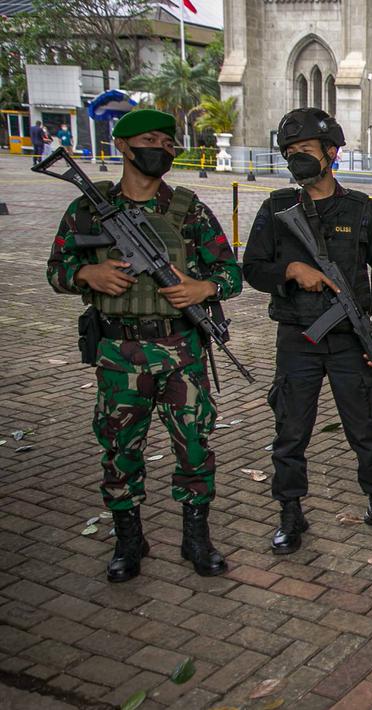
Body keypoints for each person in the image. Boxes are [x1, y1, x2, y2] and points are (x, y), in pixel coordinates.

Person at [46, 108, 241, 582]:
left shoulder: (188, 209)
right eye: (151, 140)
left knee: (194, 447)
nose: (162, 149)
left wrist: (203, 289)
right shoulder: (88, 210)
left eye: (168, 142)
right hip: (119, 353)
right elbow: (56, 269)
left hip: (180, 350)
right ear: (124, 147)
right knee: (119, 448)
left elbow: (231, 273)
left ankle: (196, 537)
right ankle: (128, 540)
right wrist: (86, 273)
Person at [242, 108, 372, 553]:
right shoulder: (277, 208)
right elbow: (252, 269)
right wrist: (292, 270)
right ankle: (290, 512)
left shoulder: (362, 210)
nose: (296, 159)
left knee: (366, 427)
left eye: (305, 151)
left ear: (331, 153)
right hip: (298, 337)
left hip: (349, 341)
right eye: (290, 152)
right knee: (291, 428)